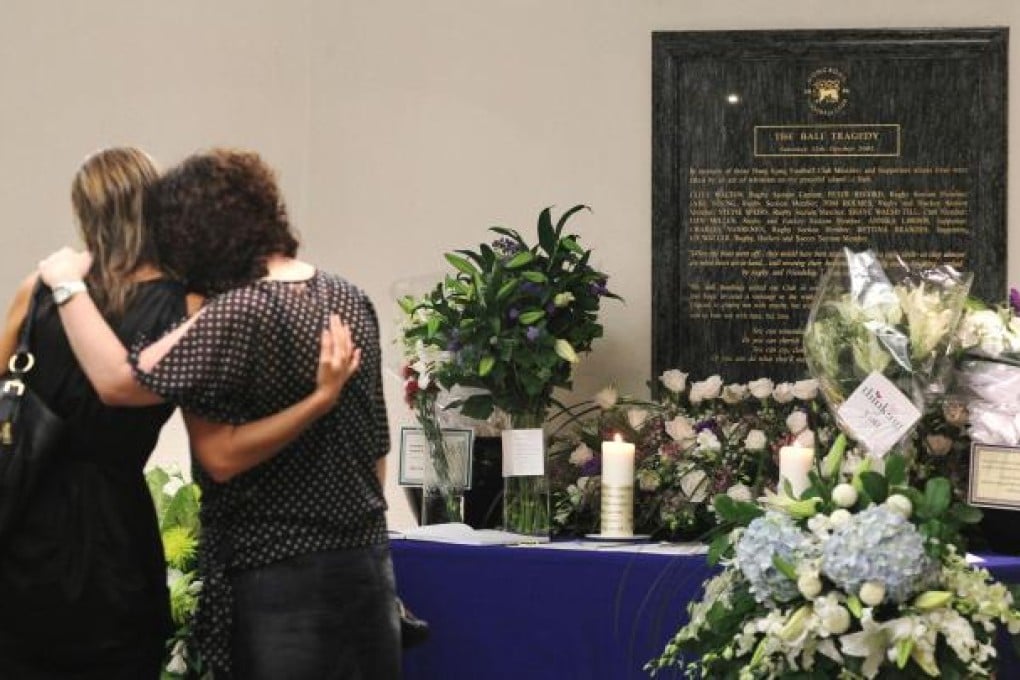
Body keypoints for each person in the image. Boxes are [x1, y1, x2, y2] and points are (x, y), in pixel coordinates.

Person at [39, 148, 400, 680]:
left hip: (276, 569)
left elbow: (125, 383)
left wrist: (67, 286)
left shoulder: (235, 311)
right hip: (366, 565)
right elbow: (375, 447)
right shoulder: (349, 296)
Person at [0, 147, 188, 678]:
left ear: (85, 212)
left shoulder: (37, 292)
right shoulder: (179, 306)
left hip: (24, 529)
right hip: (115, 538)